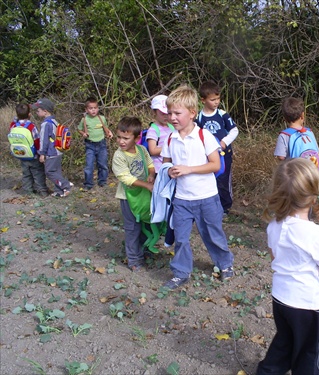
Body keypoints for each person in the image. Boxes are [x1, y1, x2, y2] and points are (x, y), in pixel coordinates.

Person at [257, 158, 319, 375]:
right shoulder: (315, 234)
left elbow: (274, 257)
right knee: (308, 351)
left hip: (280, 299)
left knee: (285, 340)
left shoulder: (273, 225)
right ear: (313, 196)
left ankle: (268, 371)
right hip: (306, 306)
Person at [161, 85, 234, 289]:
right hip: (182, 200)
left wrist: (188, 169)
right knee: (181, 238)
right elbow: (166, 163)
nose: (172, 117)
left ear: (192, 113)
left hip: (207, 198)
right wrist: (169, 171)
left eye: (177, 113)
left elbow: (215, 164)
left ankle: (225, 264)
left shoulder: (204, 136)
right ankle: (181, 272)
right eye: (170, 113)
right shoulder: (170, 138)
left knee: (213, 235)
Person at [112, 116, 155, 272]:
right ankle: (133, 259)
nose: (121, 141)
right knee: (132, 228)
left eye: (125, 138)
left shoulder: (142, 150)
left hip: (143, 196)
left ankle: (145, 250)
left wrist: (151, 174)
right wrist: (146, 185)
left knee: (146, 223)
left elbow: (150, 164)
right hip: (127, 198)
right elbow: (126, 178)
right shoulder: (119, 156)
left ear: (137, 138)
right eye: (119, 137)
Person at [195, 81, 239, 215]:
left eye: (218, 98)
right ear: (203, 100)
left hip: (224, 155)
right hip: (207, 156)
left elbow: (234, 130)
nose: (216, 102)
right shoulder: (199, 117)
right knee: (209, 180)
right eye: (212, 99)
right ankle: (210, 206)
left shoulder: (222, 114)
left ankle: (225, 207)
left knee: (224, 180)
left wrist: (224, 142)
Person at [32, 98, 73, 197]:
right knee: (56, 171)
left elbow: (44, 140)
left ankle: (65, 185)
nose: (37, 113)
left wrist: (42, 153)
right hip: (58, 150)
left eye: (38, 111)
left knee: (49, 172)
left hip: (51, 152)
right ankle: (59, 191)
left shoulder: (45, 124)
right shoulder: (54, 121)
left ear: (45, 111)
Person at [8, 103, 49, 197]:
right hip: (33, 155)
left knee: (26, 174)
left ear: (17, 115)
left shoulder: (13, 126)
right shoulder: (31, 126)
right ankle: (42, 191)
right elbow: (37, 140)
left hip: (21, 154)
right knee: (38, 173)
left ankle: (28, 192)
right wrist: (40, 153)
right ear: (29, 115)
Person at [273, 97, 319, 170]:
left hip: (296, 173)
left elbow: (281, 157)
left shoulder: (284, 135)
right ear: (302, 115)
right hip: (312, 172)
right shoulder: (309, 132)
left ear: (285, 119)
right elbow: (316, 151)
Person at [77, 97, 113, 190]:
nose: (93, 110)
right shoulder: (84, 119)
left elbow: (106, 128)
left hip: (101, 144)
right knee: (89, 165)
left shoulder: (102, 118)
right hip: (90, 145)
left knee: (103, 164)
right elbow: (79, 129)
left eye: (95, 108)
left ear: (98, 108)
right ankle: (88, 184)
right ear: (86, 109)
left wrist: (109, 132)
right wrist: (83, 134)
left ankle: (102, 181)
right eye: (90, 108)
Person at [147, 95, 174, 174]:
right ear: (155, 112)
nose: (165, 116)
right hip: (158, 169)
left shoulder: (172, 127)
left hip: (171, 166)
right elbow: (153, 150)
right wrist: (170, 147)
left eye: (168, 113)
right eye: (162, 113)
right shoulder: (153, 129)